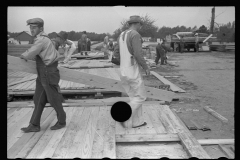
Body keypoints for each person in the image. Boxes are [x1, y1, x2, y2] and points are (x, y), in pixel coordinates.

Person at [20, 18, 66, 133]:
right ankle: (34, 124)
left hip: (48, 71)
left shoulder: (41, 39)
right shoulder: (43, 39)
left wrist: (23, 56)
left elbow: (31, 53)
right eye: (30, 27)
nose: (31, 30)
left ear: (41, 28)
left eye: (34, 27)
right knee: (38, 98)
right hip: (43, 72)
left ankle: (62, 121)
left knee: (53, 98)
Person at [116, 15, 150, 129]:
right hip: (132, 69)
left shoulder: (121, 35)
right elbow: (138, 54)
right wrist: (145, 67)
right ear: (137, 24)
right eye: (140, 24)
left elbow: (116, 53)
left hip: (123, 70)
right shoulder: (135, 35)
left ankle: (137, 122)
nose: (140, 26)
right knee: (141, 97)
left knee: (134, 97)